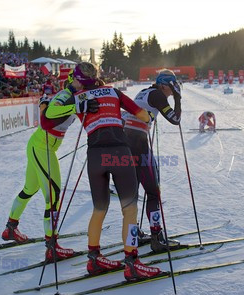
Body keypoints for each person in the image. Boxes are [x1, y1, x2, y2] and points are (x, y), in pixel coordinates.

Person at [41, 62, 161, 281]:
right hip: (119, 153)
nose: (73, 82)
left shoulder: (79, 98)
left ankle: (94, 257)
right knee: (130, 209)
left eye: (75, 79)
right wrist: (150, 118)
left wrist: (76, 107)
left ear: (81, 79)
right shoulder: (113, 91)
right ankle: (132, 262)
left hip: (95, 156)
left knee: (99, 208)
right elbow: (141, 114)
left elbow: (48, 116)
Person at [1, 70, 77, 262]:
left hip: (40, 146)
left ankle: (11, 228)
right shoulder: (66, 96)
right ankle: (52, 246)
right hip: (42, 147)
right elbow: (46, 120)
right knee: (53, 195)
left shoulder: (74, 97)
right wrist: (45, 105)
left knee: (30, 189)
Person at [122, 69, 182, 252]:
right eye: (172, 88)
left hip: (124, 141)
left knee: (131, 194)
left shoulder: (145, 91)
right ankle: (157, 238)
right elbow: (175, 119)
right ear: (164, 85)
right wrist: (178, 99)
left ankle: (134, 234)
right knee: (153, 192)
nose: (172, 92)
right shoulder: (157, 95)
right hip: (137, 144)